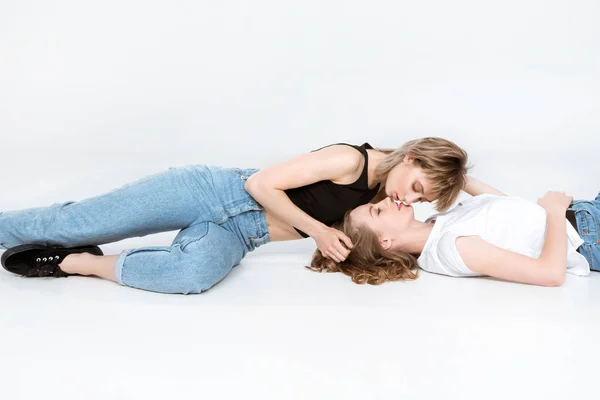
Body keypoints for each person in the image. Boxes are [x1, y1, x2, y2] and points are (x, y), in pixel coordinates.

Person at [1, 138, 469, 294]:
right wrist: (318, 230)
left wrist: (468, 186)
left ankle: (74, 262)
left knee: (193, 274)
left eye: (421, 200)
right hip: (208, 191)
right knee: (72, 222)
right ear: (410, 157)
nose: (409, 201)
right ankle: (60, 239)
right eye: (415, 188)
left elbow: (472, 190)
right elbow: (258, 184)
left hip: (243, 232)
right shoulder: (350, 159)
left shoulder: (387, 195)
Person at [309, 179, 596, 287]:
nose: (385, 200)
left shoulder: (437, 224)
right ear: (386, 241)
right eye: (378, 212)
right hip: (589, 233)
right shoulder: (450, 248)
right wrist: (555, 212)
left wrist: (450, 177)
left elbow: (506, 211)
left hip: (587, 213)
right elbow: (550, 273)